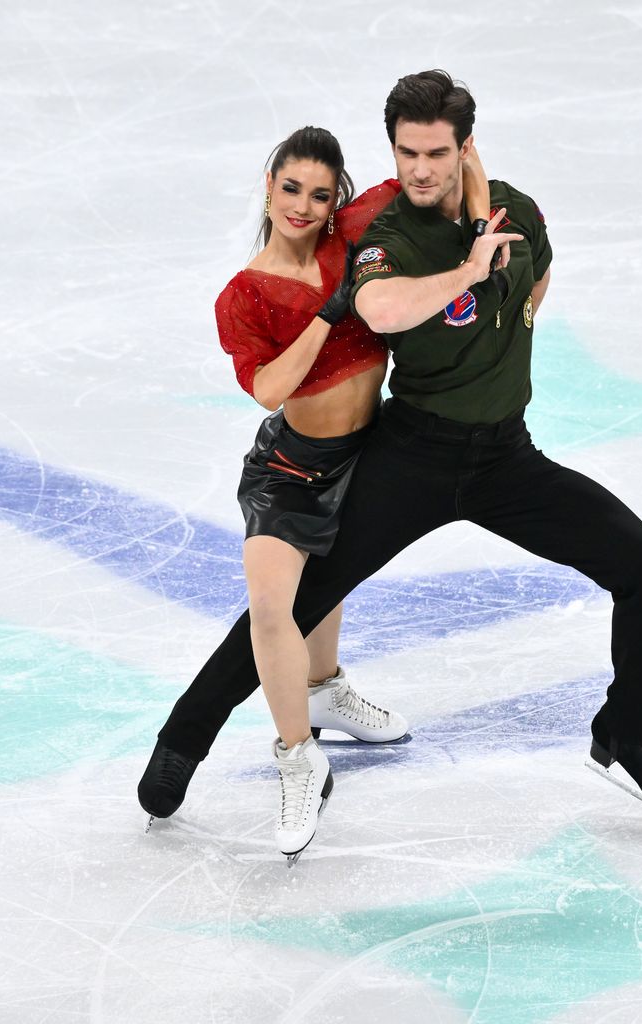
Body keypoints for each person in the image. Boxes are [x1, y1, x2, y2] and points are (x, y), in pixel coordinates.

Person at [140, 71, 642, 855]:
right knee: (291, 606)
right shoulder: (387, 235)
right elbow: (378, 307)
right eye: (406, 153)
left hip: (505, 459)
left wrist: (509, 323)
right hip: (411, 456)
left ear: (465, 147)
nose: (420, 169)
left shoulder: (516, 211)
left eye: (436, 153)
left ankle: (627, 734)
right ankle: (181, 740)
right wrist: (467, 274)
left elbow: (536, 270)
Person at [139, 124, 493, 863]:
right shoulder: (244, 294)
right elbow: (269, 388)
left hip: (374, 455)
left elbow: (443, 171)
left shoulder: (355, 237)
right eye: (291, 188)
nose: (302, 206)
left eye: (320, 195)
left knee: (332, 579)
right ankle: (299, 757)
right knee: (274, 607)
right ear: (269, 188)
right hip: (293, 470)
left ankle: (325, 687)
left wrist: (464, 152)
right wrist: (330, 311)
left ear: (338, 203)